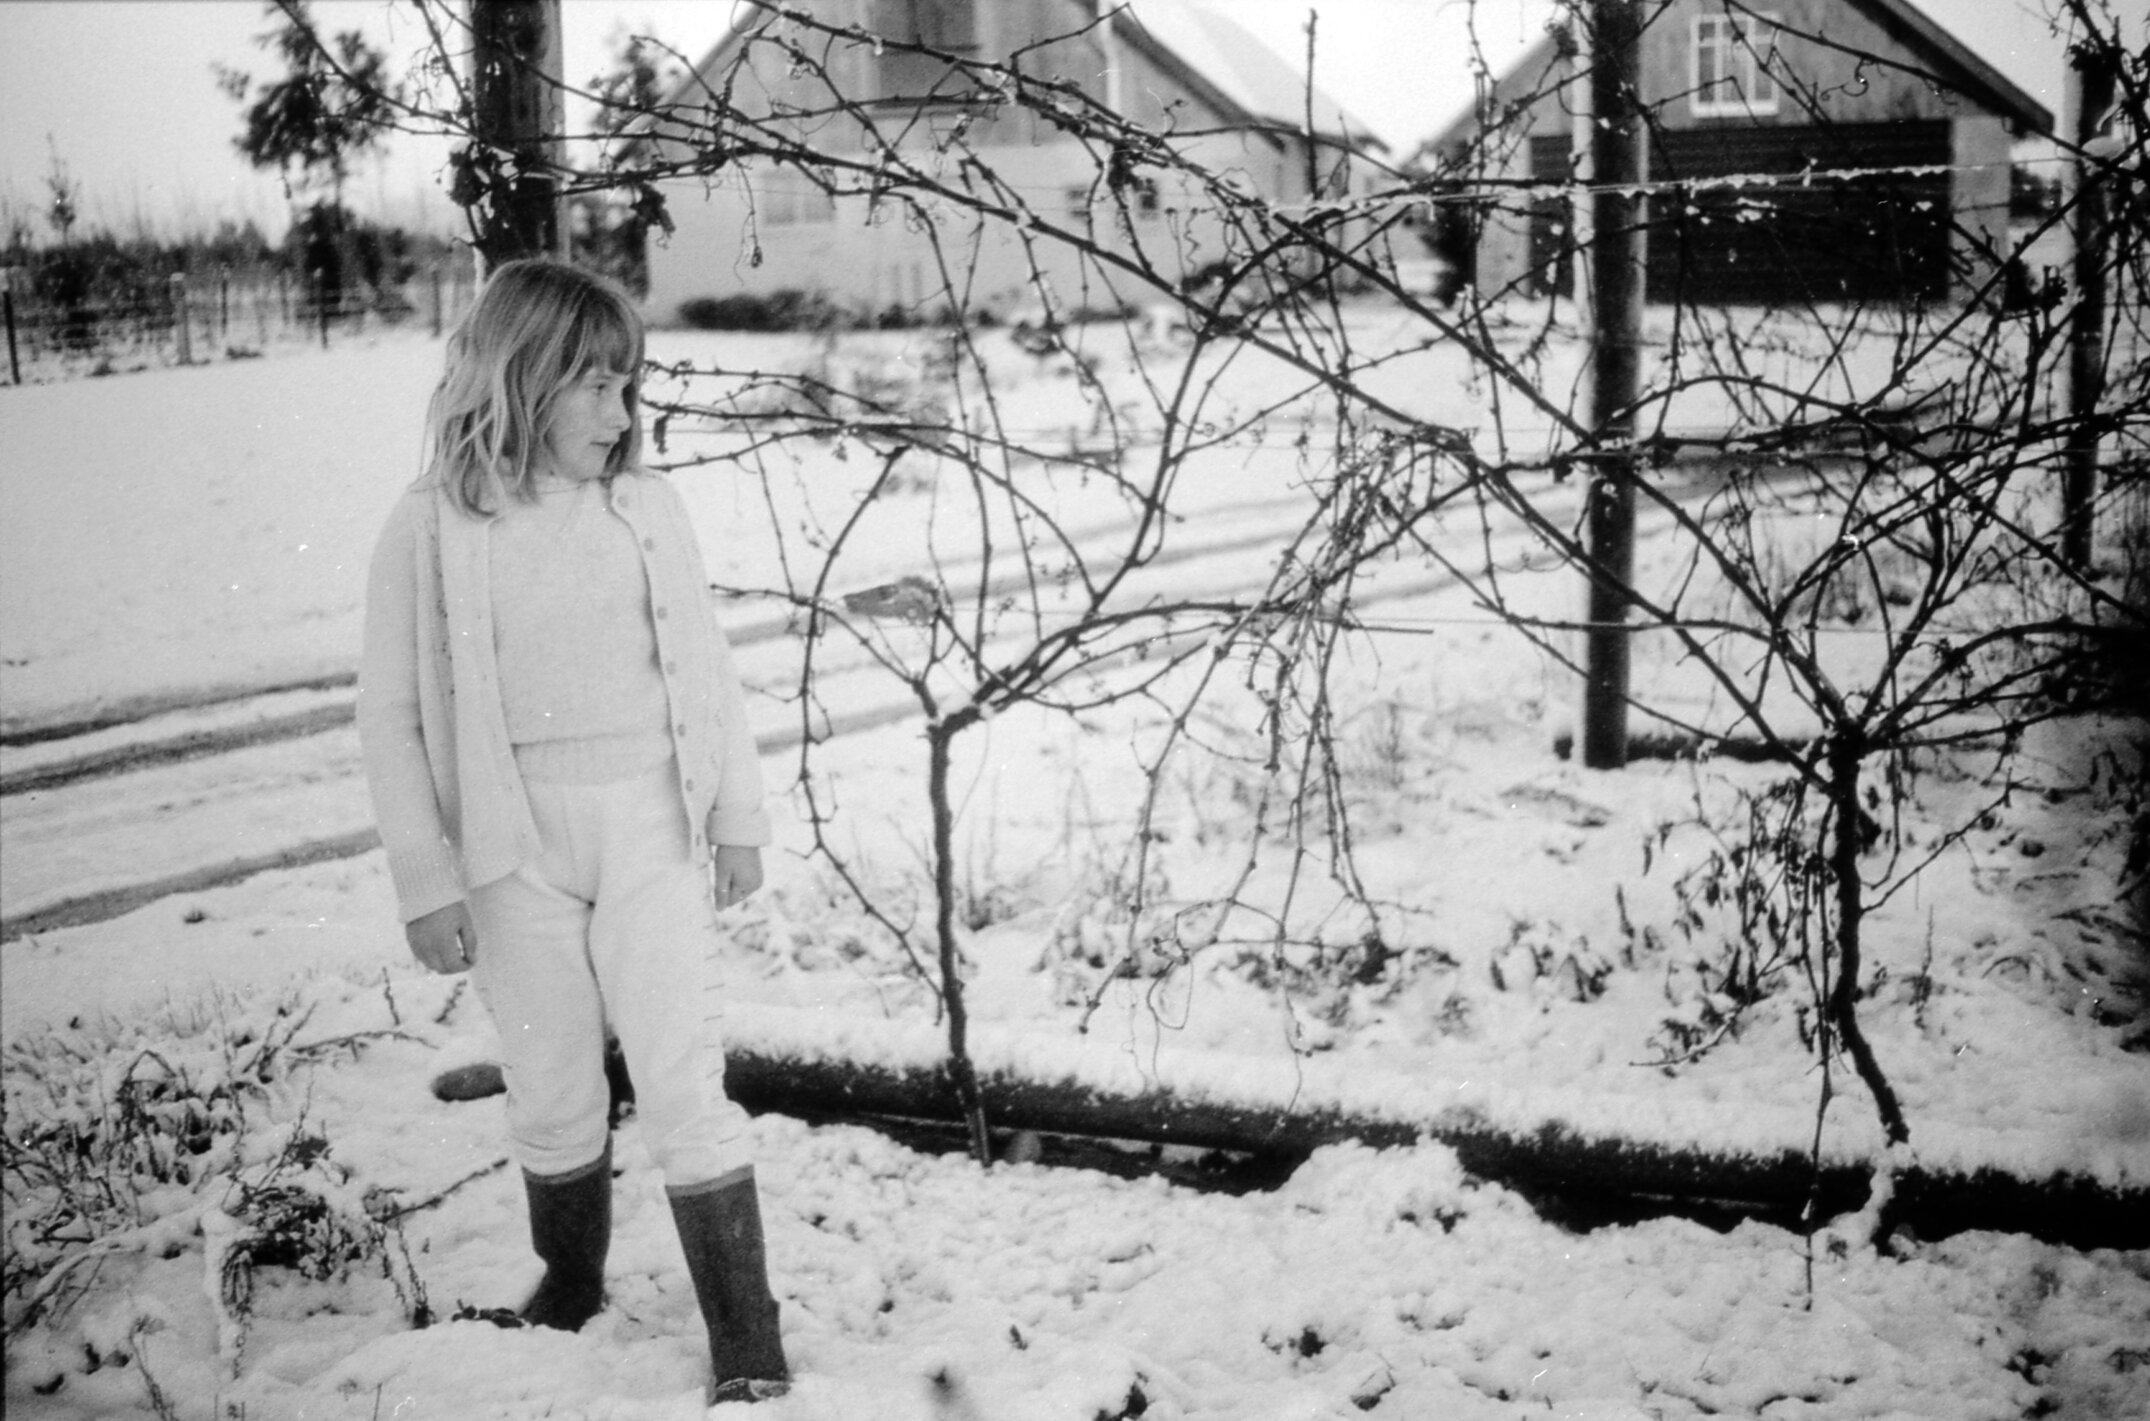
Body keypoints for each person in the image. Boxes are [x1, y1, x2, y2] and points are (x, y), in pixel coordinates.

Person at [356, 257, 789, 1404]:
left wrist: (735, 817)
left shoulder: (645, 509)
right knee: (550, 1077)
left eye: (627, 385)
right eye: (595, 386)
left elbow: (706, 669)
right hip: (510, 851)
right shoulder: (432, 527)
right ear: (522, 378)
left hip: (648, 823)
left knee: (680, 1072)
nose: (621, 411)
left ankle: (745, 1330)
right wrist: (426, 879)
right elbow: (392, 716)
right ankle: (569, 1277)